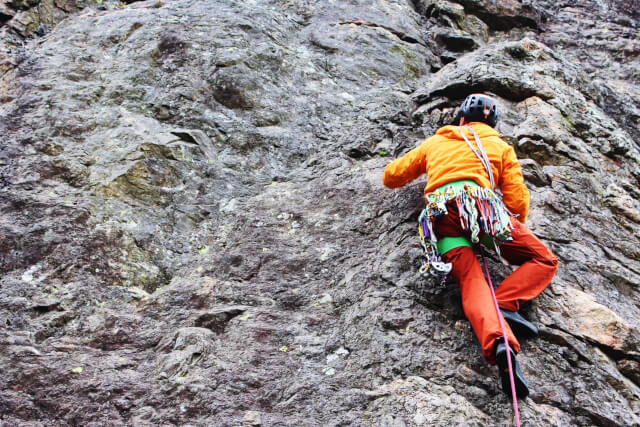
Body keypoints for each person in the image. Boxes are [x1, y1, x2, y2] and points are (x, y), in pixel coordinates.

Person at [382, 94, 558, 398]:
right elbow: (517, 200)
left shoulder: (436, 143)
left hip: (441, 218)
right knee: (543, 259)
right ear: (492, 123)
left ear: (461, 119)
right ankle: (504, 303)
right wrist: (507, 230)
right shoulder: (501, 147)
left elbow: (391, 176)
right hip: (481, 212)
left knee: (471, 280)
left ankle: (499, 341)